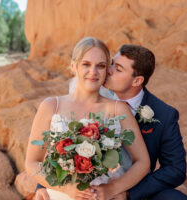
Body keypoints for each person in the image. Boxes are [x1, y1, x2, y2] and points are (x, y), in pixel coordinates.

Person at [34, 44, 187, 200]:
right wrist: (45, 185)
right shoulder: (94, 90)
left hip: (136, 190)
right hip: (85, 187)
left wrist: (127, 193)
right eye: (111, 63)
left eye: (118, 69)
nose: (108, 70)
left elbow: (175, 169)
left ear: (136, 81)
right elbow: (63, 136)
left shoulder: (163, 114)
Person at [25, 37, 150, 200]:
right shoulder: (51, 106)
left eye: (101, 66)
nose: (93, 72)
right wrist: (66, 188)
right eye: (86, 64)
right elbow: (32, 163)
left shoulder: (118, 109)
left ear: (107, 71)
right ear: (73, 66)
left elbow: (143, 162)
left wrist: (112, 189)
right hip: (60, 195)